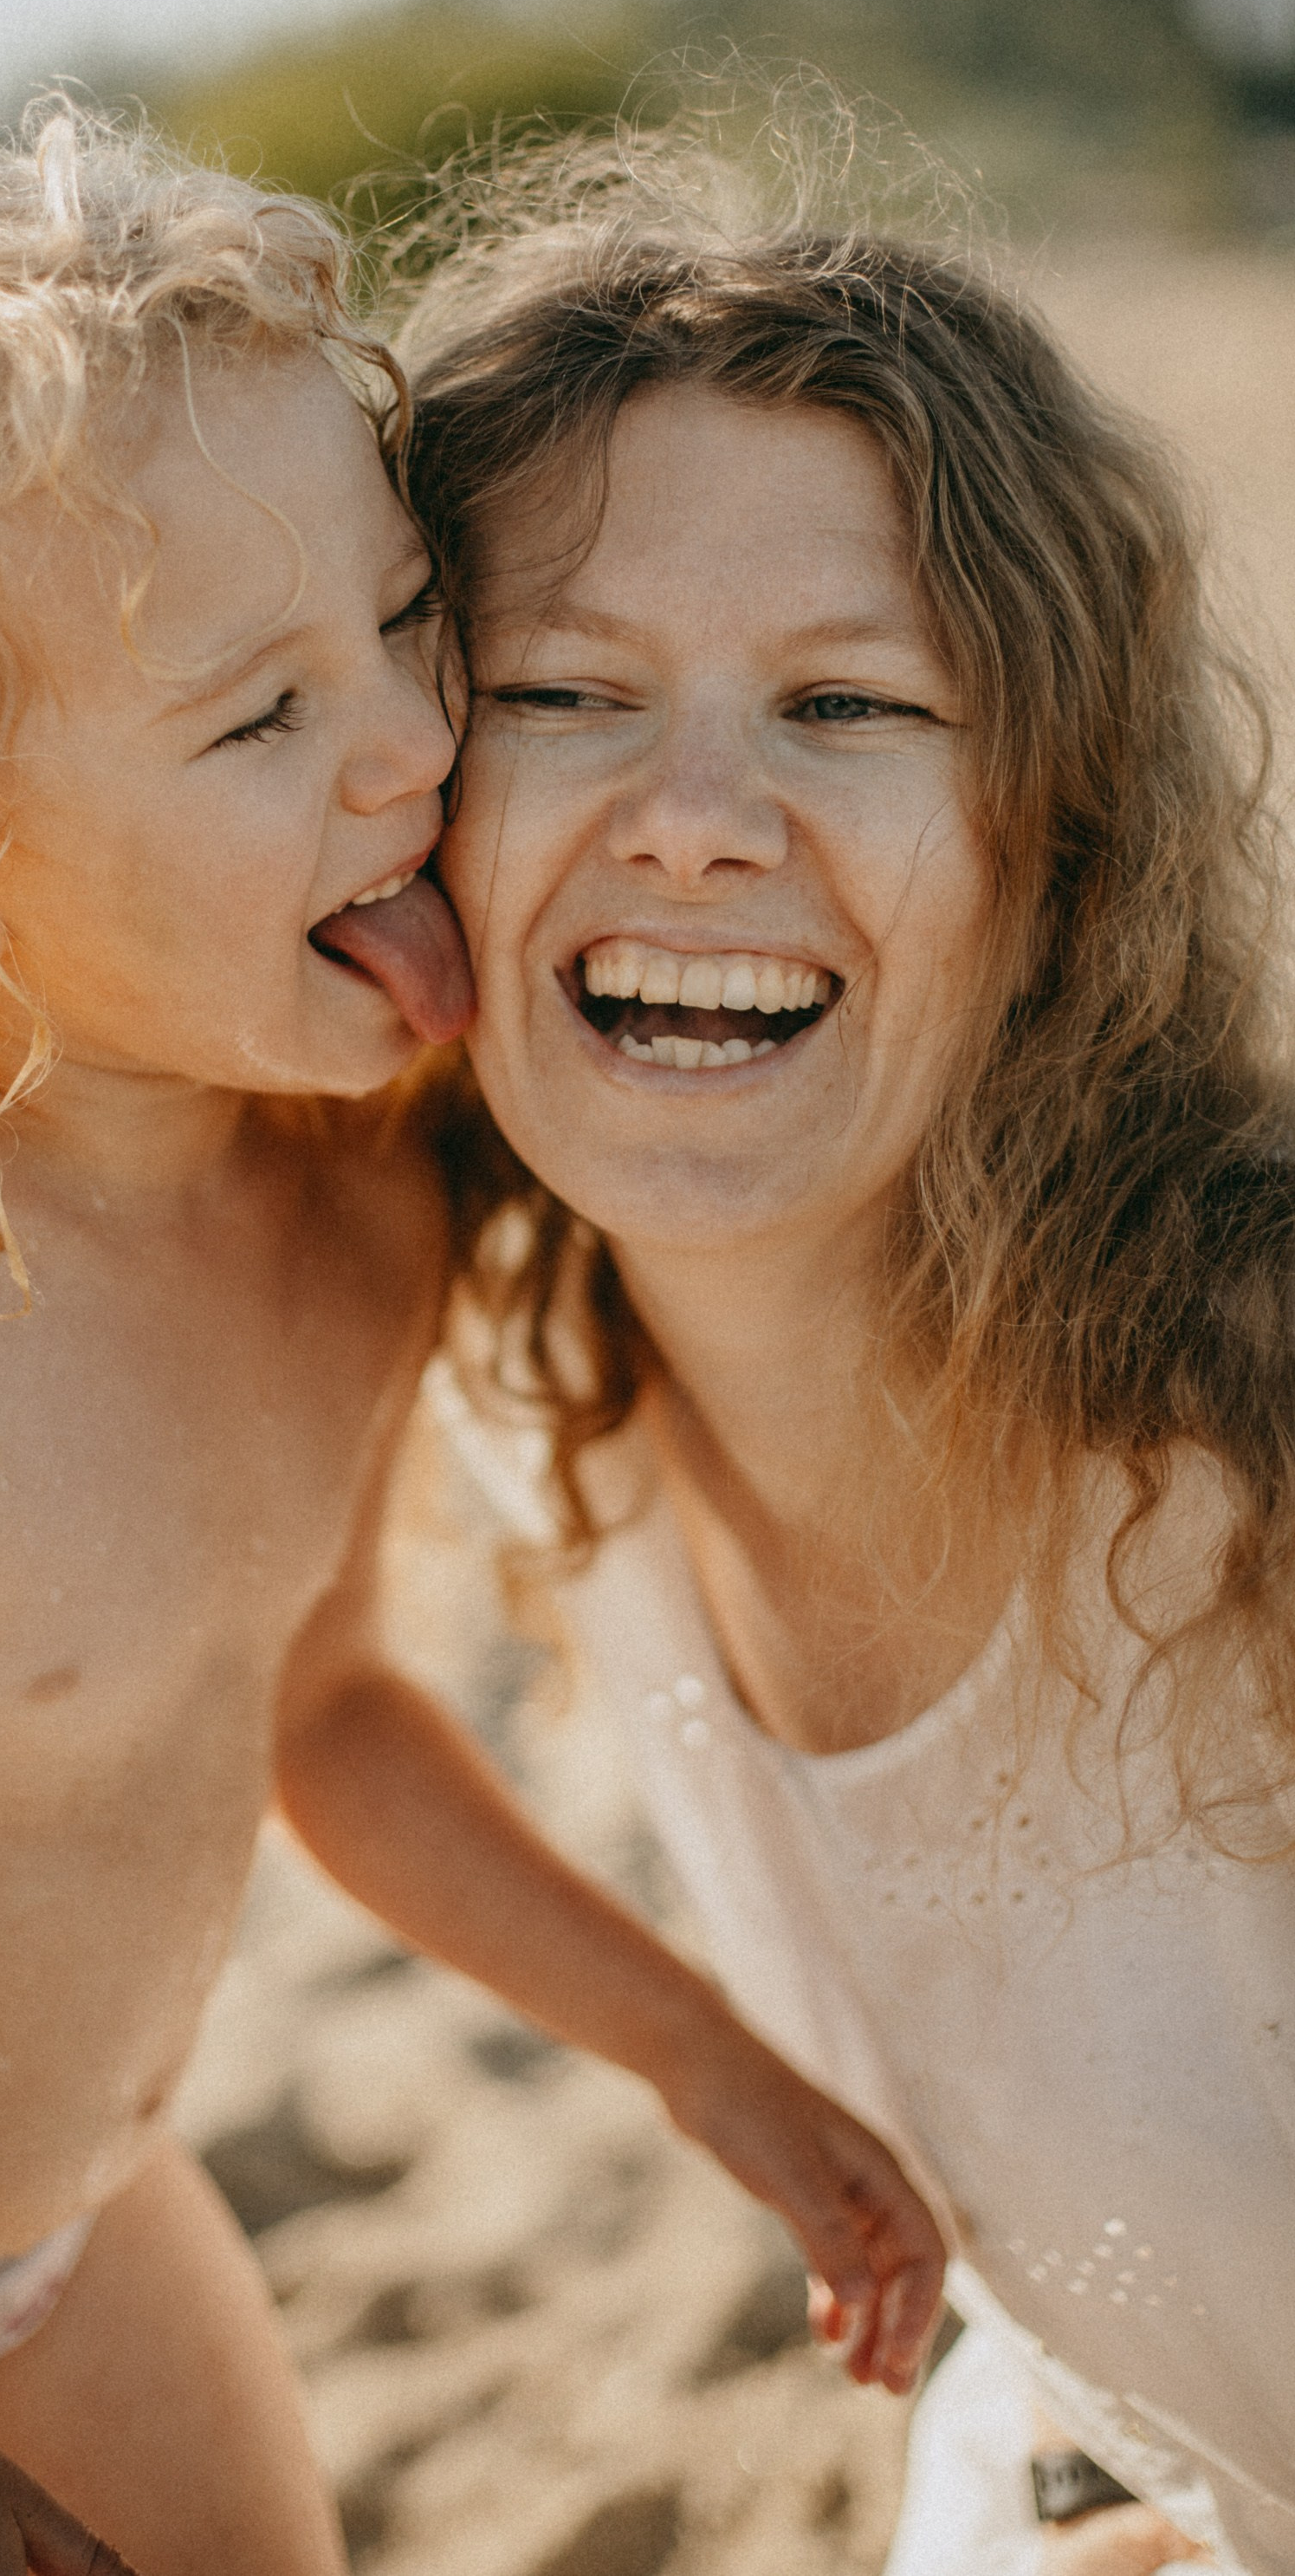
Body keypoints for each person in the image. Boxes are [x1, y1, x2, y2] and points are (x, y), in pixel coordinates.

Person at [0, 108, 942, 2576]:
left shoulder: (353, 1205)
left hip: (83, 2223)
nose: (415, 747)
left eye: (407, 620)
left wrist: (700, 2056)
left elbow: (318, 1708)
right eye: (258, 719)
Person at [400, 140, 1295, 2575]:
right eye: (566, 690)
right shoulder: (527, 1371)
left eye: (850, 701)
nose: (695, 818)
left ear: (1053, 850)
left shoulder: (1249, 1448)